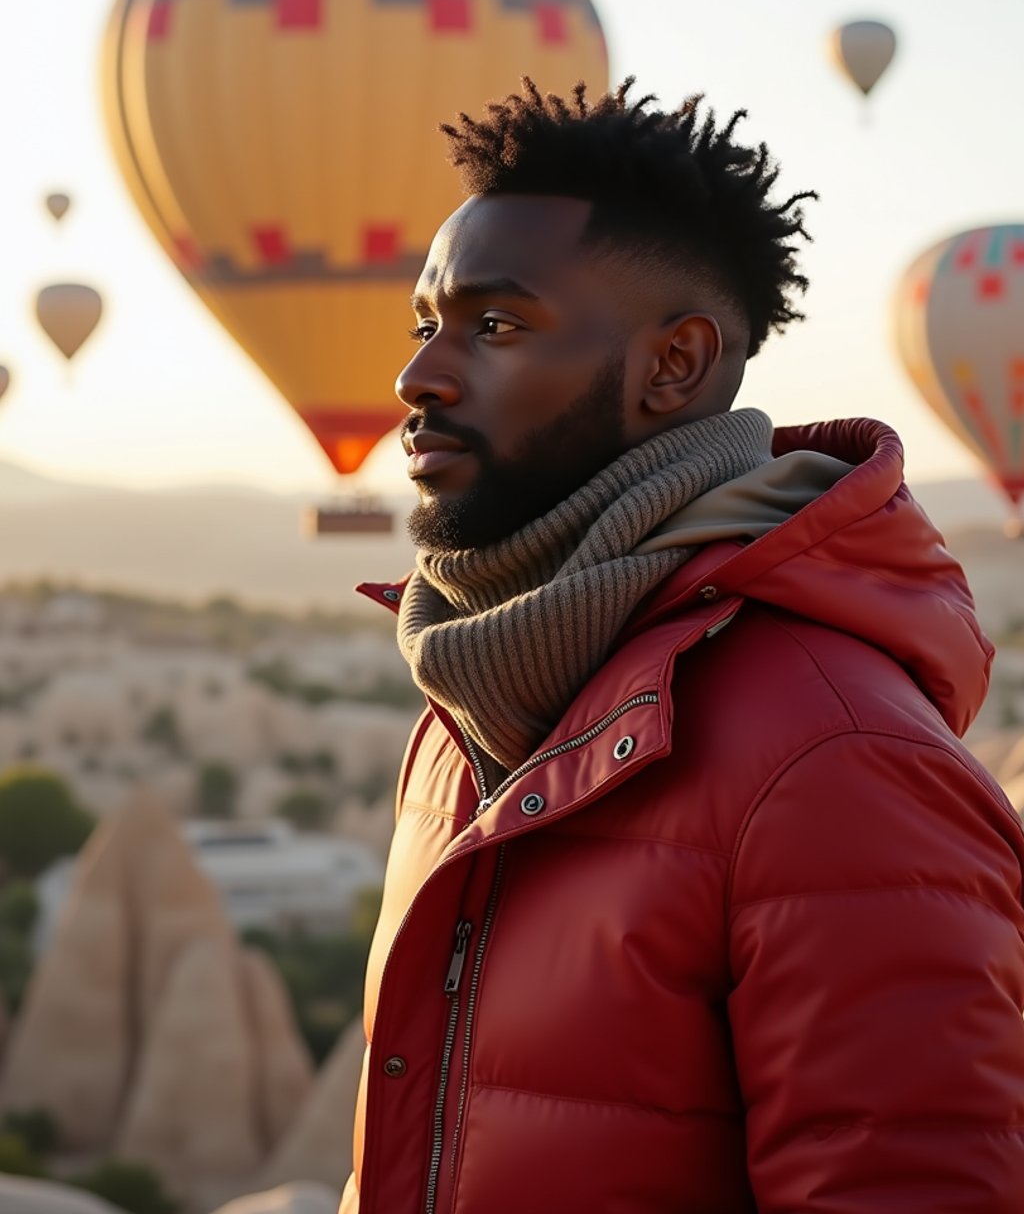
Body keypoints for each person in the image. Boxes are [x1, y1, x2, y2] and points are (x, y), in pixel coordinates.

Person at [341, 79, 1024, 1214]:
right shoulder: (466, 711)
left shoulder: (833, 757)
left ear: (673, 365)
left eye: (495, 326)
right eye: (427, 325)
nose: (418, 378)